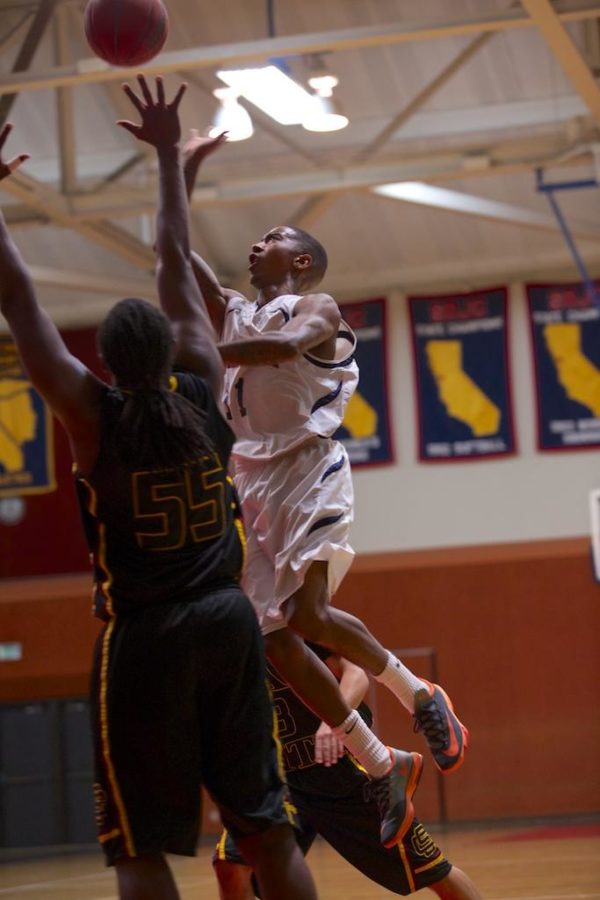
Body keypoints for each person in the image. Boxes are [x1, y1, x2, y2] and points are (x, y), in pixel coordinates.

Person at [0, 79, 319, 900]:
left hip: (145, 638)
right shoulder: (202, 386)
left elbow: (17, 298)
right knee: (266, 832)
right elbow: (173, 265)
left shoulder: (90, 414)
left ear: (103, 361)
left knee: (140, 848)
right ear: (173, 353)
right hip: (226, 620)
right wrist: (171, 166)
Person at [179, 131, 469, 846]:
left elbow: (280, 350)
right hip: (252, 483)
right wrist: (174, 170)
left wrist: (188, 352)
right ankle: (385, 762)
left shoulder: (319, 308)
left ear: (301, 261)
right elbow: (172, 255)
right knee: (272, 643)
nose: (255, 246)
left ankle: (419, 692)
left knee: (307, 617)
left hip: (309, 471)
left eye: (271, 238)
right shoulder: (234, 312)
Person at [213, 645, 483, 900]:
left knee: (433, 871)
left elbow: (356, 675)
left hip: (341, 773)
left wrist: (333, 723)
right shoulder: (230, 635)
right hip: (281, 778)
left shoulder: (283, 621)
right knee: (231, 866)